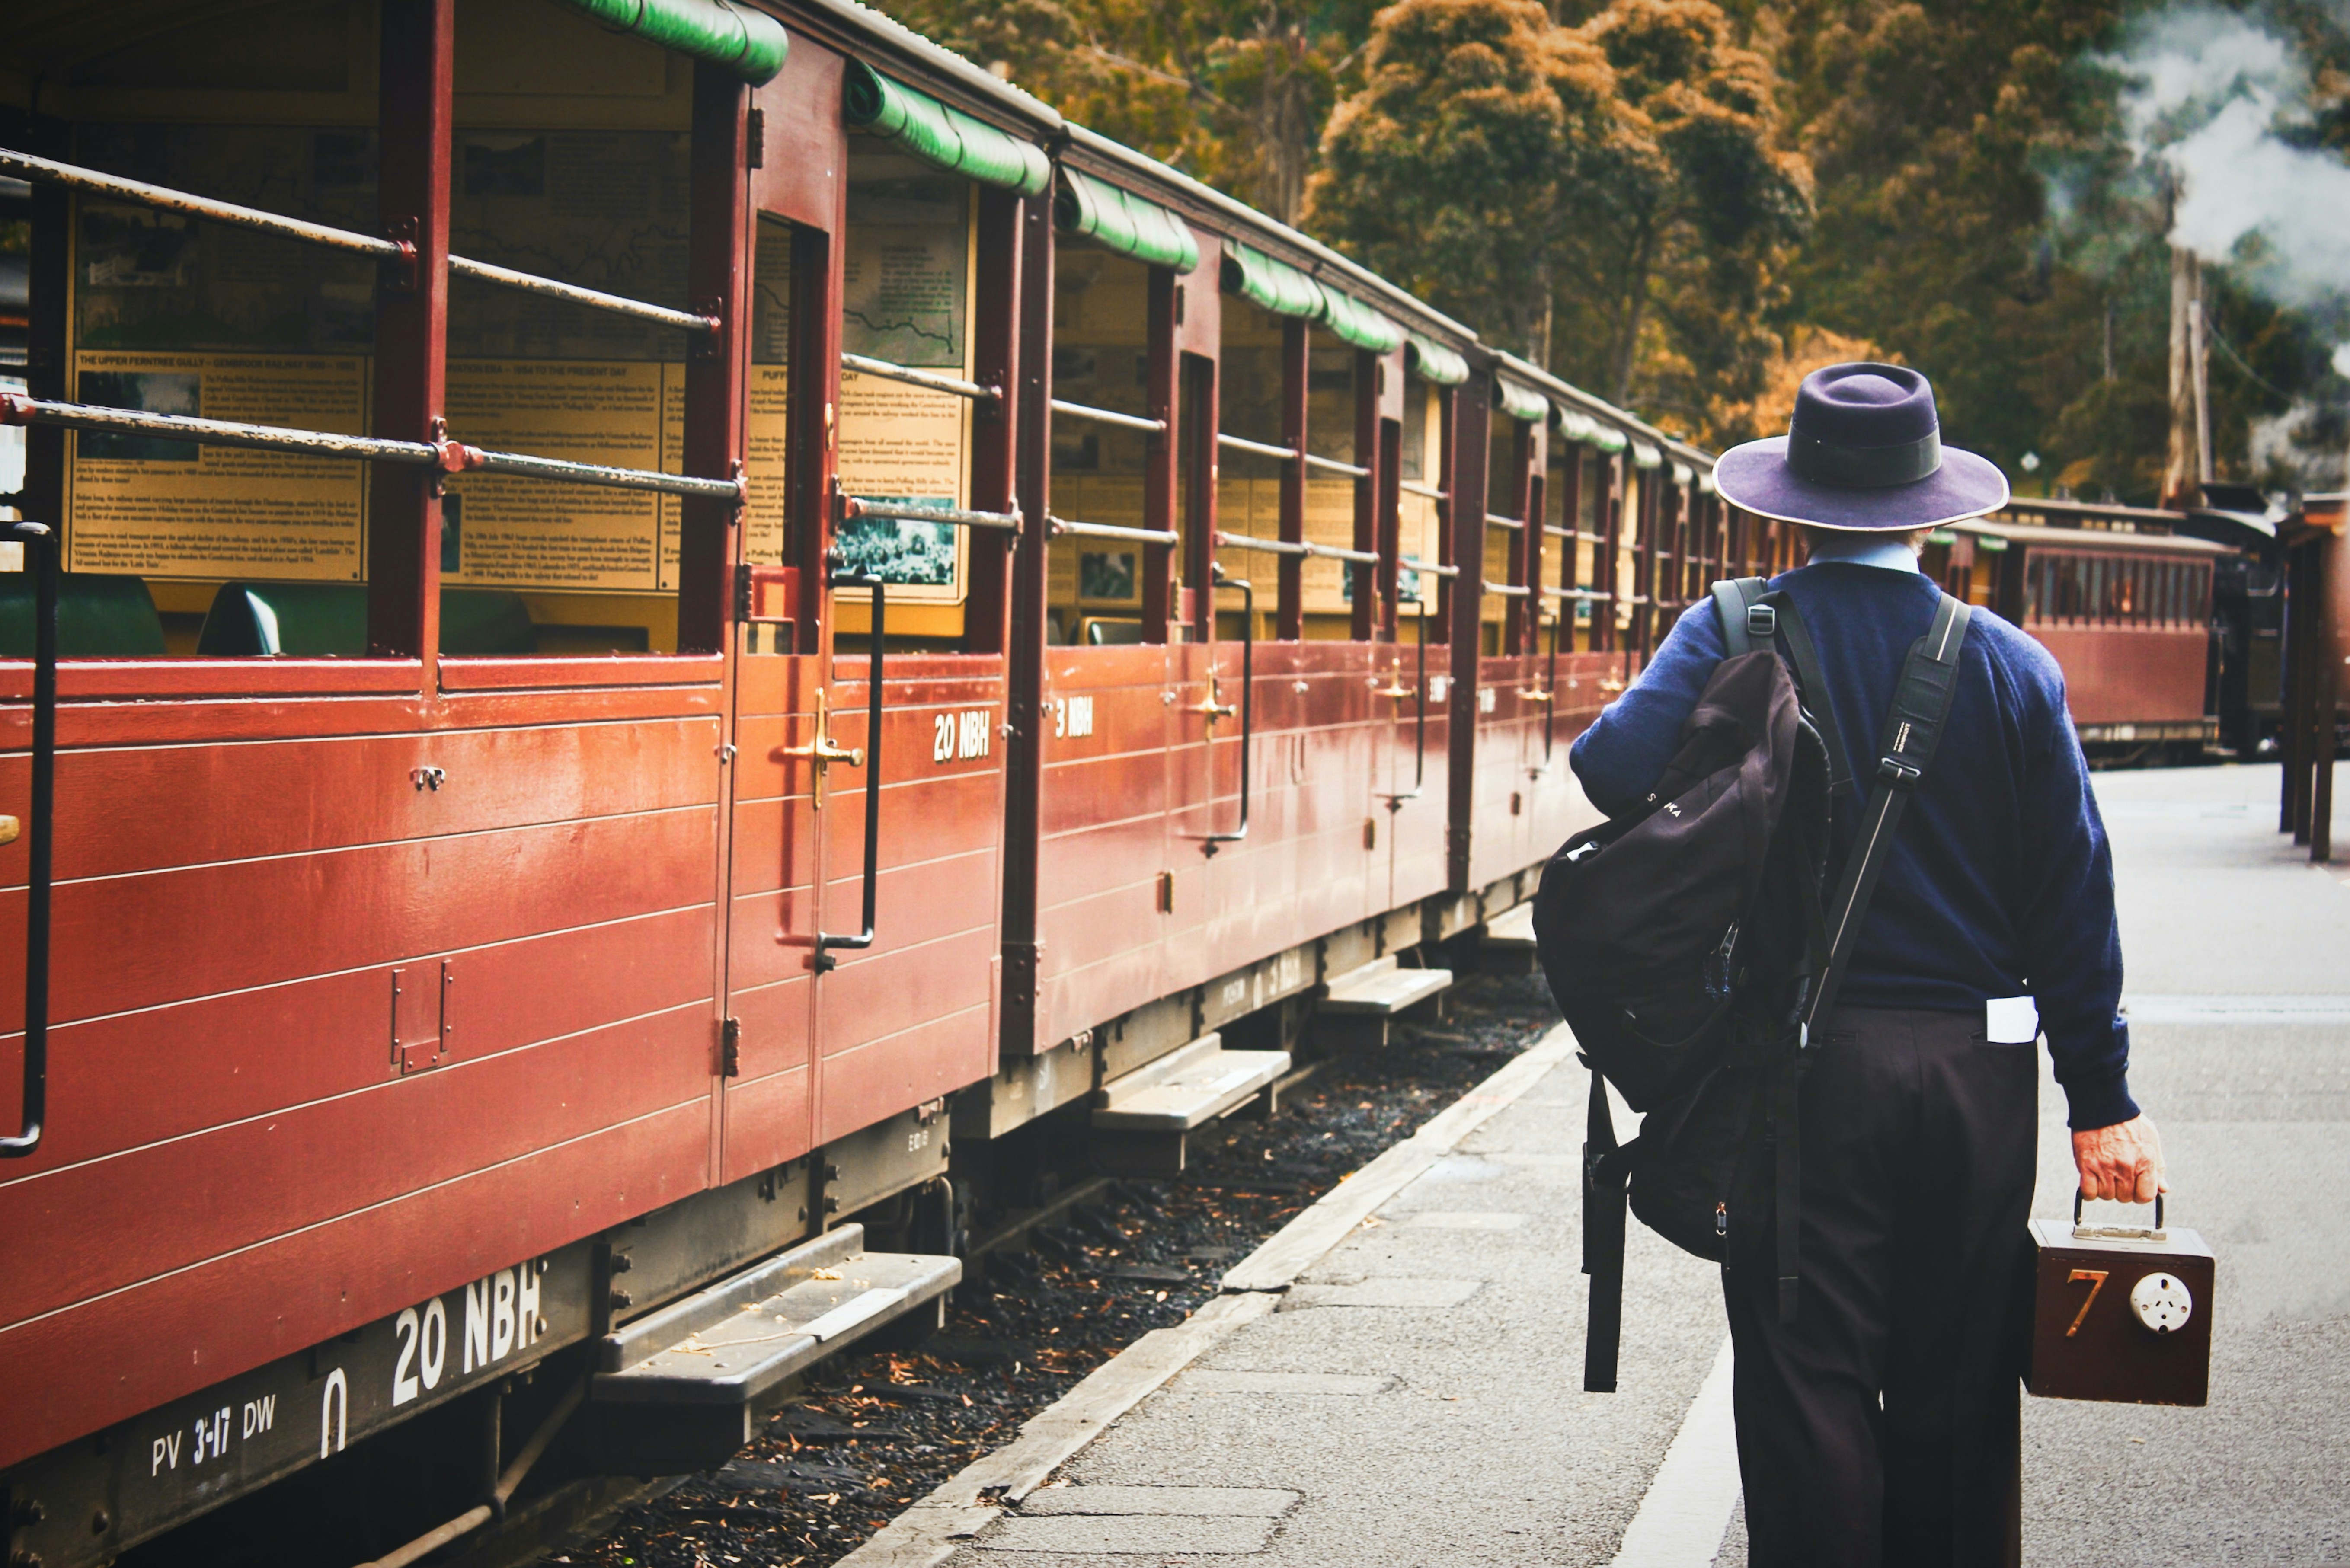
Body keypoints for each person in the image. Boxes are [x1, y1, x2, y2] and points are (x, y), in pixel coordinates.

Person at [1569, 364, 2166, 1568]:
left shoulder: (1733, 626)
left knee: (1804, 1383)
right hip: (1972, 1076)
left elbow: (1608, 769)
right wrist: (2100, 1102)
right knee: (1954, 1380)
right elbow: (2073, 899)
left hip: (1790, 1076)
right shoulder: (2011, 666)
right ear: (1930, 513)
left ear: (1788, 506)